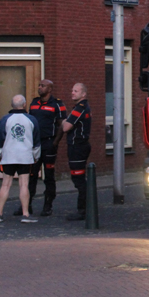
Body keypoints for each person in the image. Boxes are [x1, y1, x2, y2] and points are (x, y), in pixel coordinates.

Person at [13, 79, 66, 217]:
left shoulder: (57, 104)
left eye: (43, 86)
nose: (39, 87)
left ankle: (48, 205)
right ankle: (26, 205)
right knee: (31, 175)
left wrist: (55, 142)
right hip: (34, 145)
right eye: (39, 85)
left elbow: (62, 125)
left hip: (49, 143)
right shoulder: (34, 103)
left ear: (50, 89)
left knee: (49, 176)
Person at [0, 94, 41, 223]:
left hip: (9, 156)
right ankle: (25, 214)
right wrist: (36, 156)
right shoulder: (32, 120)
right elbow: (36, 142)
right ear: (24, 105)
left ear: (11, 105)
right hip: (25, 156)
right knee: (24, 184)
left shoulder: (5, 120)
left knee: (5, 184)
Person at [63, 82, 92, 221]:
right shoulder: (83, 108)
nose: (72, 92)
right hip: (80, 146)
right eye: (72, 90)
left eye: (76, 91)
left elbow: (66, 127)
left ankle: (83, 210)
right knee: (79, 178)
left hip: (77, 147)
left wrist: (64, 121)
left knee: (79, 179)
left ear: (83, 94)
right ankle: (86, 208)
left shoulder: (79, 109)